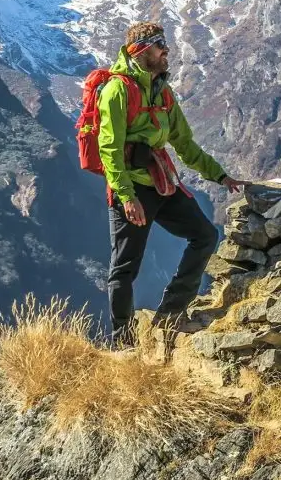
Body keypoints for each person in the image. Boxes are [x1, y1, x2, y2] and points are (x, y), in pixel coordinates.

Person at [97, 22, 245, 344]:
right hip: (133, 190)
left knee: (205, 235)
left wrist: (219, 175)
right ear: (140, 50)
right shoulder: (117, 91)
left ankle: (170, 313)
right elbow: (109, 149)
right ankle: (124, 341)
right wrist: (126, 197)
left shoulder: (163, 91)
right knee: (124, 268)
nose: (167, 50)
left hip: (161, 184)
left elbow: (185, 144)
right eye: (159, 44)